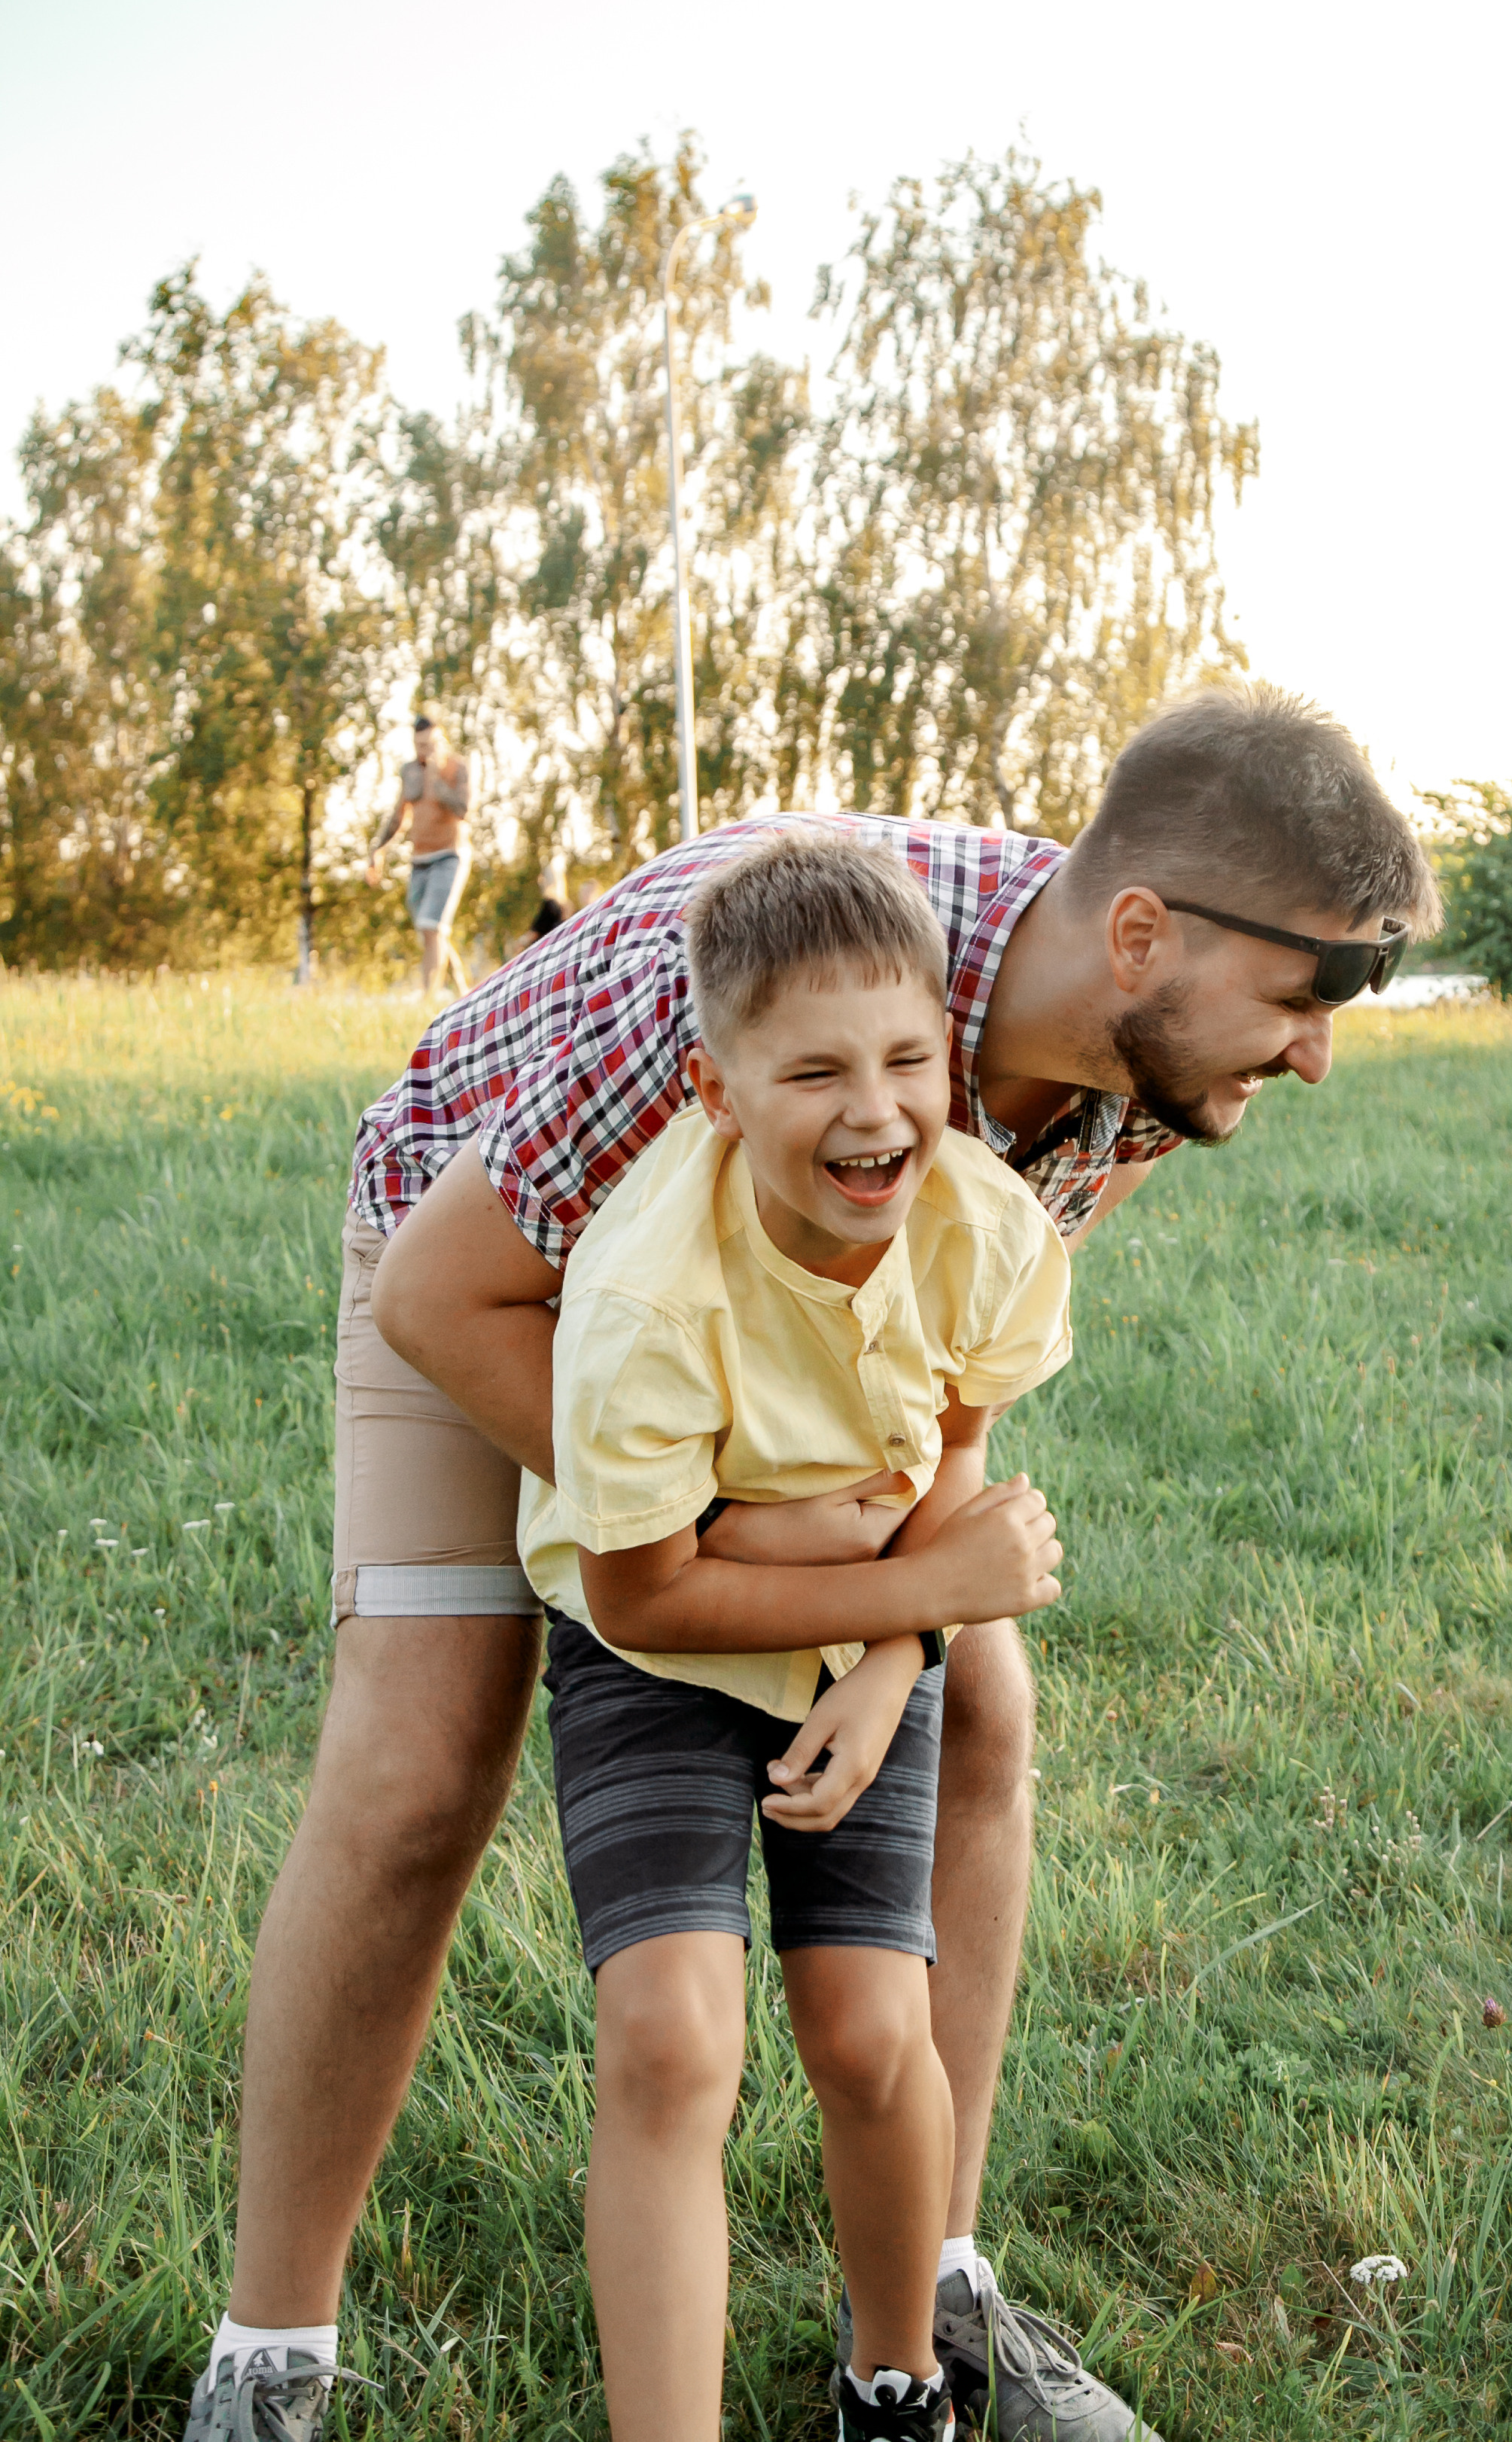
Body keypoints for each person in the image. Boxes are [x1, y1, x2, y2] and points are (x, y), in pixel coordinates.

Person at [184, 684, 1441, 2442]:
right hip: (498, 1268)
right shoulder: (760, 969)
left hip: (787, 1350)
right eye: (1309, 994)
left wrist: (886, 1636)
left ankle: (928, 2296)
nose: (1313, 1052)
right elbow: (443, 1298)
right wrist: (715, 1532)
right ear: (1141, 935)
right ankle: (269, 2357)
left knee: (978, 1702)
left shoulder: (1147, 1068)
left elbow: (941, 1393)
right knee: (421, 1756)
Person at [529, 832, 1074, 2440]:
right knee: (671, 2038)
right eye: (814, 1071)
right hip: (654, 1644)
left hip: (864, 1631)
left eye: (907, 1059)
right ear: (715, 1089)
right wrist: (916, 1594)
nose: (873, 1110)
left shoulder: (987, 1229)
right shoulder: (642, 1300)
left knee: (871, 2026)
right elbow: (645, 1596)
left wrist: (899, 1654)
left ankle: (896, 2382)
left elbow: (954, 1455)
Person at [365, 709, 472, 996]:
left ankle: (427, 995)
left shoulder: (458, 768)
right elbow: (398, 815)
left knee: (431, 926)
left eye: (428, 745)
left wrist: (437, 782)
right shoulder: (410, 771)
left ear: (441, 742)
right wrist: (377, 850)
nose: (423, 751)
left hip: (449, 856)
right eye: (418, 745)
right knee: (433, 931)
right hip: (419, 860)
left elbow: (463, 810)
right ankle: (463, 991)